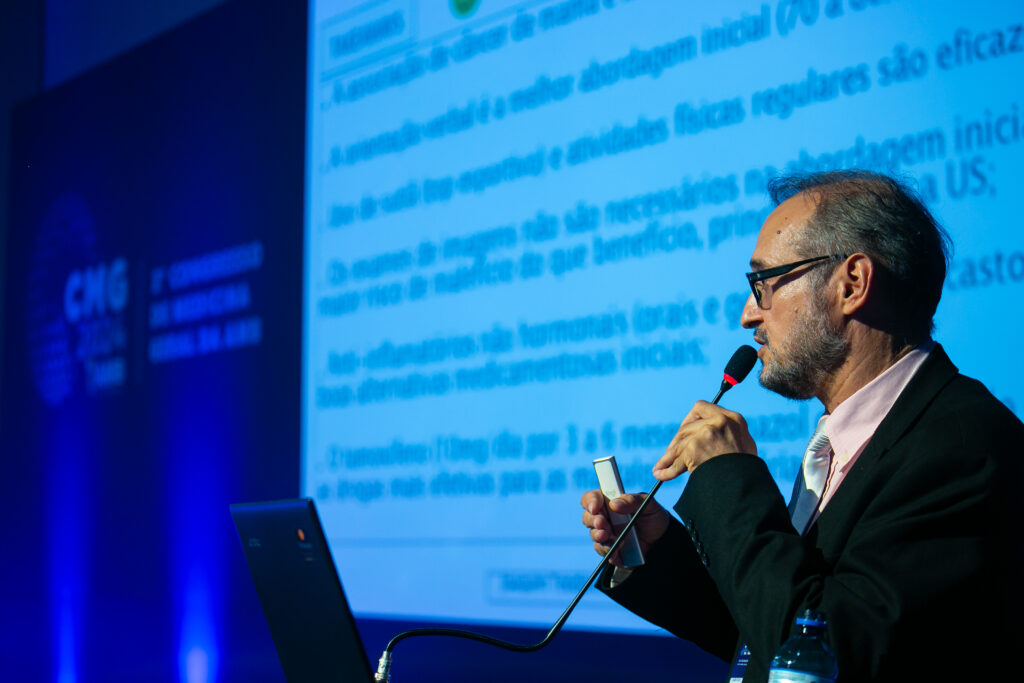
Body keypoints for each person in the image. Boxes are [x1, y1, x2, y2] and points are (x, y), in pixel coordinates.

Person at [581, 170, 1024, 681]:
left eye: (763, 283)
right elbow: (779, 633)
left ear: (851, 284)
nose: (749, 315)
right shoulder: (854, 436)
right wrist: (658, 555)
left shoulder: (963, 446)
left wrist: (730, 479)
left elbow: (836, 655)